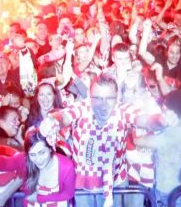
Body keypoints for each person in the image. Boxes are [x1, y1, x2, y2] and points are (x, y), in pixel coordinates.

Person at [39, 74, 167, 207]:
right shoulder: (81, 108)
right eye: (98, 98)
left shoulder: (122, 110)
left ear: (117, 97)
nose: (103, 105)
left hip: (116, 185)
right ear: (90, 95)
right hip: (84, 188)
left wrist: (162, 120)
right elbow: (63, 116)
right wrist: (52, 121)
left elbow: (144, 120)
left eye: (109, 98)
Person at [23, 131, 76, 207]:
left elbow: (68, 194)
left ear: (51, 149)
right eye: (32, 154)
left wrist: (39, 198)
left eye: (42, 153)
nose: (38, 160)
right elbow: (27, 197)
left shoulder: (66, 166)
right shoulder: (27, 163)